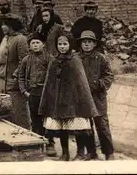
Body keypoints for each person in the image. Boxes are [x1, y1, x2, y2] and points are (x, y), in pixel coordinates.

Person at [38, 32, 99, 161]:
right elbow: (50, 83)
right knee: (62, 130)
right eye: (59, 44)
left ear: (70, 45)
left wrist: (80, 102)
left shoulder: (75, 60)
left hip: (73, 104)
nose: (62, 47)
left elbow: (81, 83)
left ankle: (80, 153)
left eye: (65, 44)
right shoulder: (54, 61)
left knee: (77, 128)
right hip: (58, 103)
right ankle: (65, 153)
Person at [76, 30, 115, 161]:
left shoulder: (101, 58)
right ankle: (91, 151)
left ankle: (109, 152)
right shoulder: (76, 59)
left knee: (102, 125)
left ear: (94, 44)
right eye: (84, 42)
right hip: (82, 98)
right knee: (86, 126)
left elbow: (109, 76)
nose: (86, 45)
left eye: (89, 42)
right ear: (81, 44)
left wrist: (98, 84)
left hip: (98, 98)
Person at [16, 32, 56, 157]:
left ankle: (50, 143)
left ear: (43, 44)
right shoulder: (26, 60)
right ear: (29, 46)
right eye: (33, 43)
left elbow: (54, 77)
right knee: (35, 120)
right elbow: (21, 76)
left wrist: (50, 93)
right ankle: (36, 143)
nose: (35, 45)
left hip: (46, 93)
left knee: (47, 119)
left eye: (38, 42)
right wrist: (24, 91)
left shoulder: (49, 58)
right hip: (32, 93)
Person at [0, 13, 30, 129]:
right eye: (2, 24)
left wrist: (16, 77)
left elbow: (24, 61)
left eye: (6, 25)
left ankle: (23, 137)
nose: (3, 27)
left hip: (13, 84)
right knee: (2, 114)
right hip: (0, 81)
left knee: (18, 113)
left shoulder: (20, 39)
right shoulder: (4, 39)